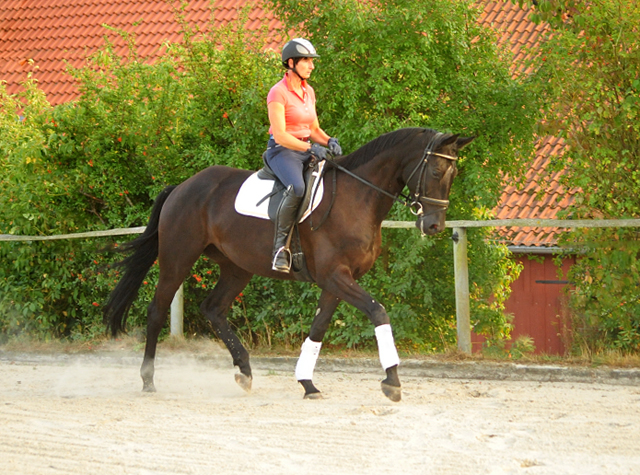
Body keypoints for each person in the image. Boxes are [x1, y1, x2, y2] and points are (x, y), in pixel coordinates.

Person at [265, 38, 342, 273]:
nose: (311, 66)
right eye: (307, 60)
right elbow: (280, 135)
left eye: (311, 61)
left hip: (305, 150)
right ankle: (280, 249)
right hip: (282, 151)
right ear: (291, 63)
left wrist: (329, 140)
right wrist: (309, 148)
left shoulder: (308, 91)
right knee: (297, 188)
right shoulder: (277, 93)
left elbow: (314, 130)